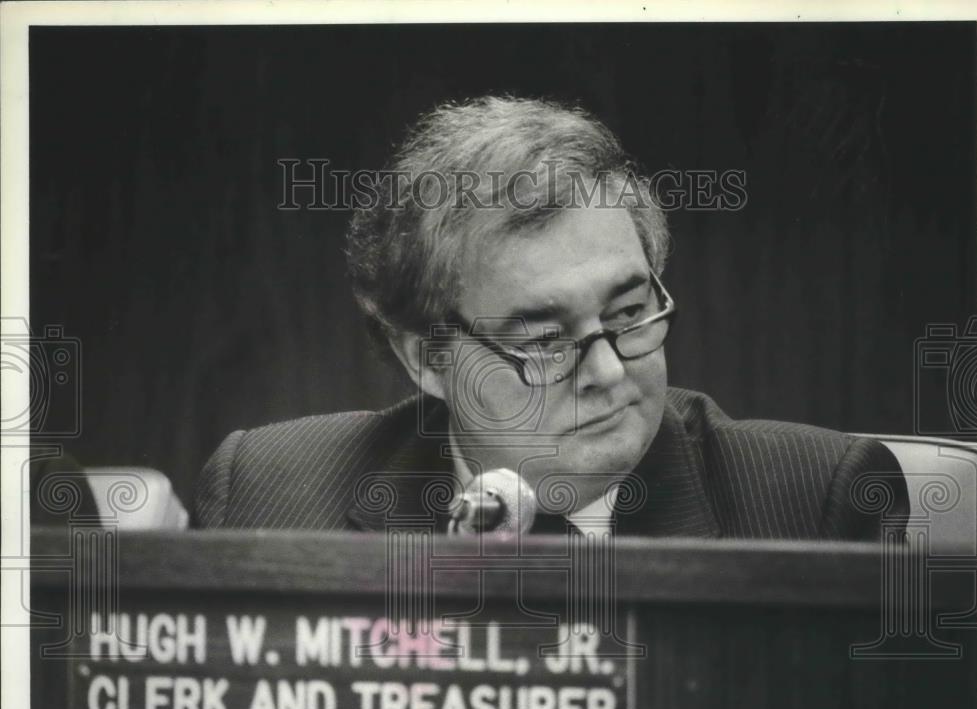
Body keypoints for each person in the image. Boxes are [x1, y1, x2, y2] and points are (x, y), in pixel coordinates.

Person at [195, 95, 908, 538]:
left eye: (628, 312)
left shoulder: (817, 503)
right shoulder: (268, 494)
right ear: (427, 358)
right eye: (542, 340)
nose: (605, 371)